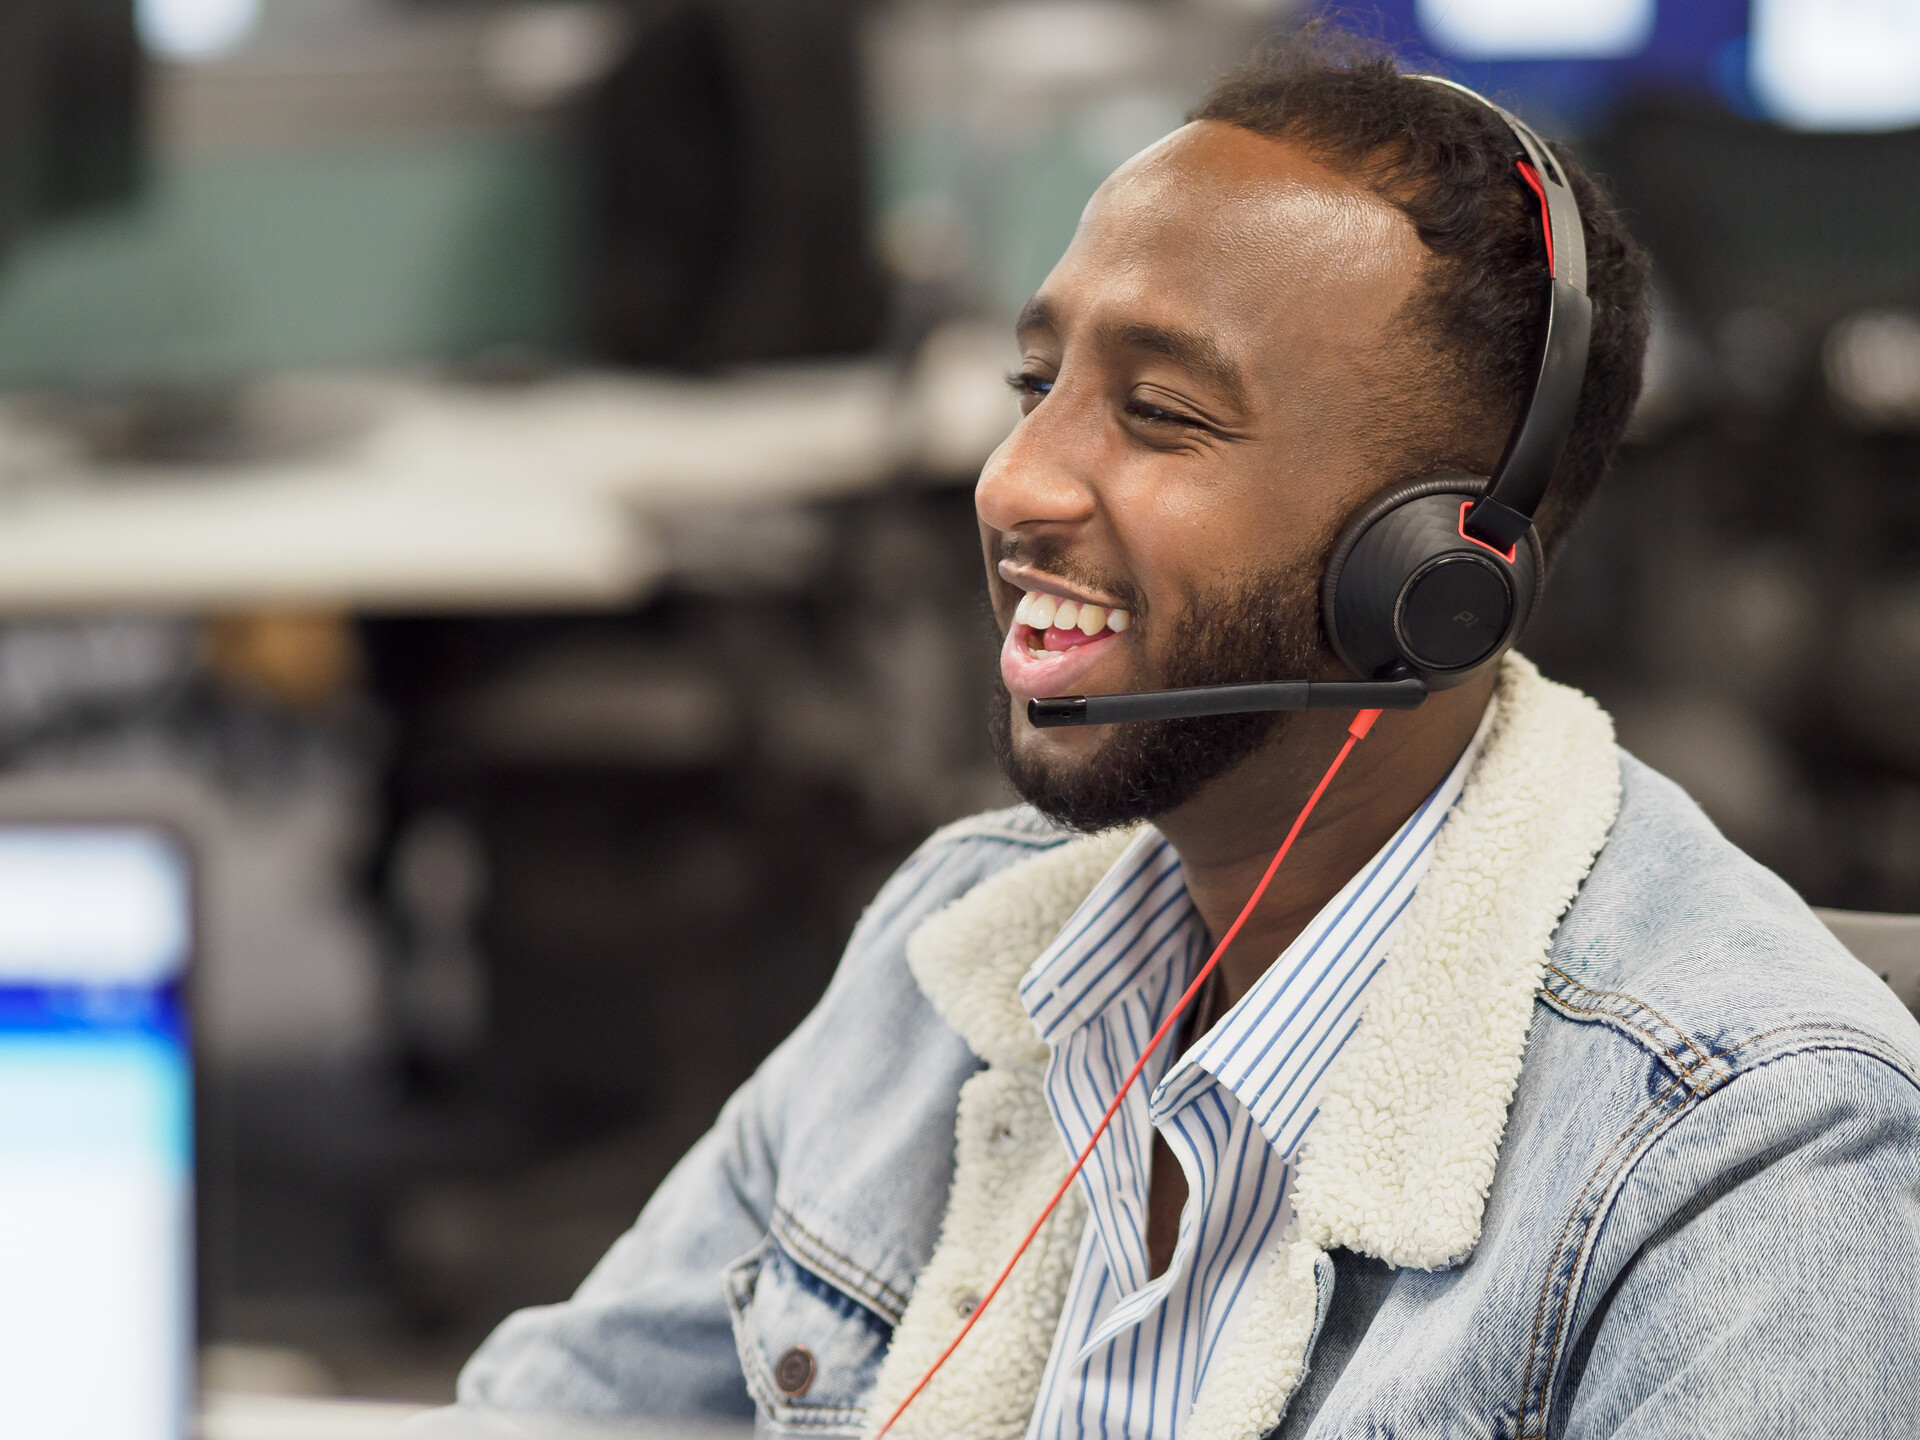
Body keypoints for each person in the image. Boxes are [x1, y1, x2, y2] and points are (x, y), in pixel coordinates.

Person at [435, 33, 1920, 1440]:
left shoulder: (1749, 1156)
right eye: (1036, 386)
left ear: (1435, 572)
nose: (1013, 483)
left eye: (1158, 414)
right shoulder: (963, 949)